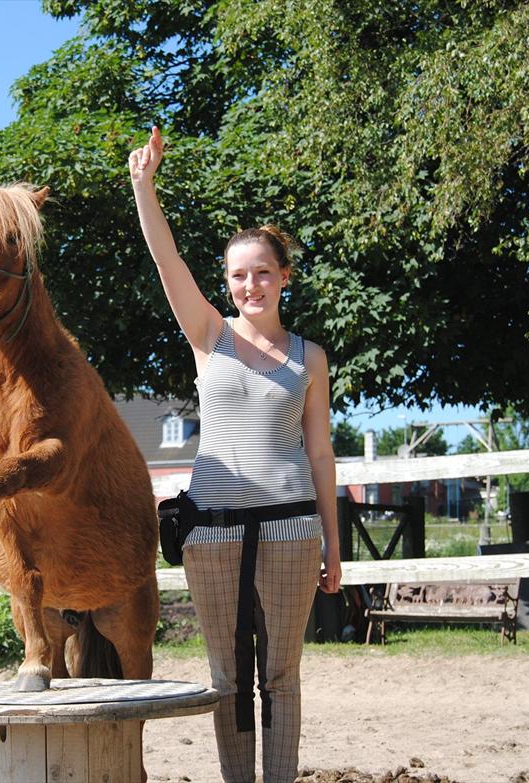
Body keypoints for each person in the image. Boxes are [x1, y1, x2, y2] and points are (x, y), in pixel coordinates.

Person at [129, 126, 341, 783]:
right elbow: (167, 262)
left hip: (291, 530)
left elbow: (320, 452)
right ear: (227, 282)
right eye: (239, 275)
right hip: (212, 533)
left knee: (281, 674)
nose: (252, 285)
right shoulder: (209, 335)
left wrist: (335, 545)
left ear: (284, 278)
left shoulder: (310, 358)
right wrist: (143, 186)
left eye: (263, 273)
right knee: (225, 676)